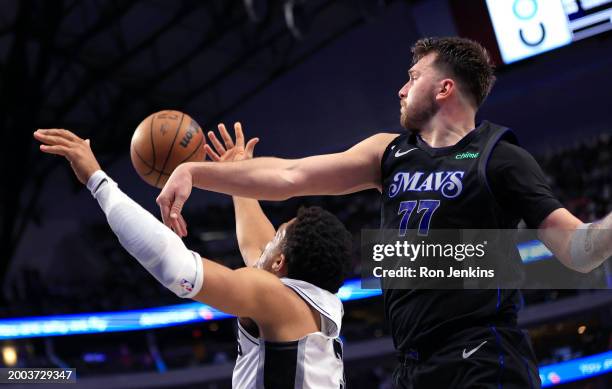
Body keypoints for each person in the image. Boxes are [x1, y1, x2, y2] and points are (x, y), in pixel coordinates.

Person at [155, 37, 612, 388]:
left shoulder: (499, 156)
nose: (401, 88)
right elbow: (291, 175)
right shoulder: (388, 153)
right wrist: (199, 172)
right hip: (412, 362)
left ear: (444, 87)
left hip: (479, 351)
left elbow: (580, 250)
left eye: (413, 77)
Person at [33, 125, 351, 389]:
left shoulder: (277, 298)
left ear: (280, 263)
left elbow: (175, 267)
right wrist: (237, 173)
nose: (267, 243)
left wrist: (97, 181)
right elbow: (258, 247)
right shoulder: (319, 303)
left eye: (276, 236)